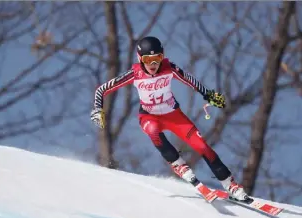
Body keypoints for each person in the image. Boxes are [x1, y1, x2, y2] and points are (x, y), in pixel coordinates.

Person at [90, 36, 250, 201]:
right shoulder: (135, 74)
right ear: (140, 59)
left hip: (173, 116)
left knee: (202, 147)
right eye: (148, 60)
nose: (153, 65)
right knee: (152, 131)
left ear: (162, 56)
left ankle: (230, 184)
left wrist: (208, 95)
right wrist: (97, 109)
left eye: (157, 59)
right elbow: (101, 90)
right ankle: (178, 164)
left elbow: (190, 81)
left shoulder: (169, 68)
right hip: (149, 117)